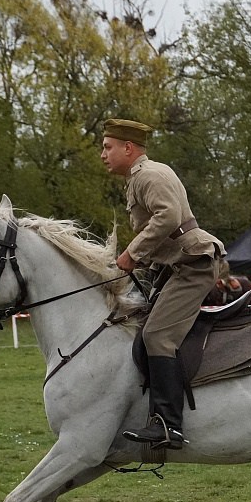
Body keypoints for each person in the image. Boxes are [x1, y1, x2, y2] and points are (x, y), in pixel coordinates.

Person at [101, 118, 225, 450]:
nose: (103, 154)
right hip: (176, 266)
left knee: (157, 335)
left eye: (107, 147)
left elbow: (168, 216)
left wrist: (132, 253)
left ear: (128, 148)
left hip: (192, 266)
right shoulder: (139, 177)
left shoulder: (148, 175)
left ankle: (169, 425)